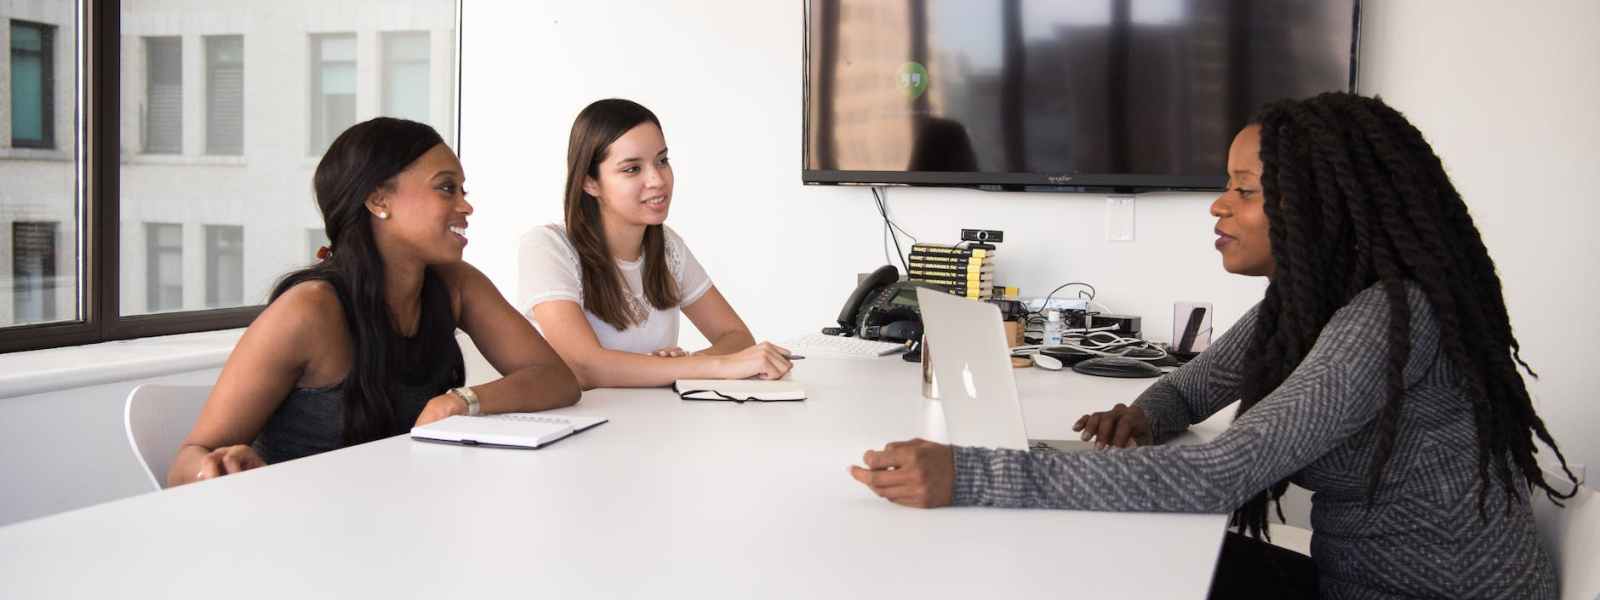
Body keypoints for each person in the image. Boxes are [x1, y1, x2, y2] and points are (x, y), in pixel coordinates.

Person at [847, 93, 1578, 599]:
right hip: (1356, 580)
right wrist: (1146, 413)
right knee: (1117, 555)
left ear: (1320, 205)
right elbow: (1195, 385)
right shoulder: (1307, 305)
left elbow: (1220, 474)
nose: (1218, 205)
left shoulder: (1389, 316)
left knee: (1115, 565)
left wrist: (974, 476)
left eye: (1246, 189)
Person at [169, 117, 581, 486]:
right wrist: (217, 468)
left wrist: (461, 401)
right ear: (378, 200)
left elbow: (556, 379)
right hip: (303, 534)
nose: (465, 205)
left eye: (462, 189)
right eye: (445, 188)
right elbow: (185, 464)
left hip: (402, 518)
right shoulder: (308, 311)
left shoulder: (457, 285)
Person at [519, 99, 792, 388]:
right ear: (590, 182)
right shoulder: (548, 247)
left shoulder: (667, 246)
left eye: (662, 161)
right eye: (632, 169)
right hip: (582, 427)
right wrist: (697, 367)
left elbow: (736, 337)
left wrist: (680, 367)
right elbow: (586, 366)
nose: (657, 180)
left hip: (654, 423)